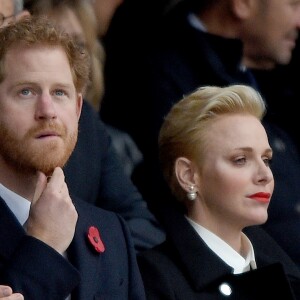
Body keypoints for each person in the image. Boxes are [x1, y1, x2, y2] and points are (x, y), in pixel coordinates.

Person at [100, 0, 300, 267]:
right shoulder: (159, 71)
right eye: (293, 4)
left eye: (267, 159)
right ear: (242, 4)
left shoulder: (271, 80)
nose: (266, 176)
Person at [0, 16, 146, 299]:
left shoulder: (111, 232)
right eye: (26, 92)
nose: (48, 110)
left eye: (59, 93)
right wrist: (44, 246)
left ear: (78, 109)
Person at [23, 0, 166, 252]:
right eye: (48, 42)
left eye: (76, 45)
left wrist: (70, 241)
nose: (62, 58)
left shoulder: (88, 124)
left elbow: (144, 228)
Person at [137, 84, 300, 299]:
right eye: (240, 160)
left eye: (266, 159)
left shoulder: (281, 269)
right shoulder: (155, 279)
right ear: (188, 175)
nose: (266, 175)